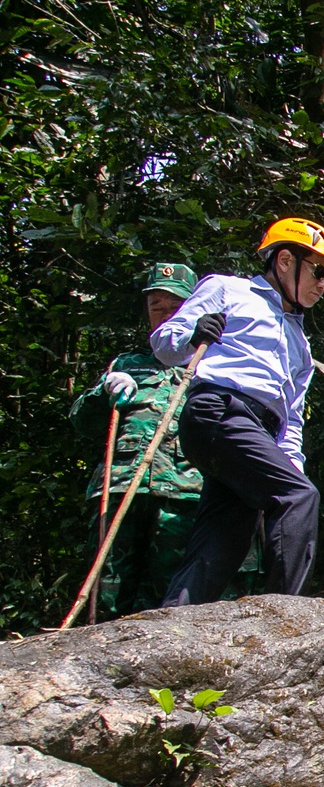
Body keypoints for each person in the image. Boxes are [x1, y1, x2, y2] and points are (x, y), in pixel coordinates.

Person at [152, 218, 324, 605]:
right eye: (319, 272)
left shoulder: (301, 346)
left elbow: (291, 417)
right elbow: (164, 344)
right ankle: (286, 612)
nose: (323, 285)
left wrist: (290, 464)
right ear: (285, 260)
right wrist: (193, 333)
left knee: (225, 535)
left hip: (258, 429)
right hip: (219, 410)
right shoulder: (228, 289)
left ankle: (176, 617)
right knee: (299, 497)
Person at [71, 263, 205, 616]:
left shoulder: (213, 366)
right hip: (120, 489)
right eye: (156, 305)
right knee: (107, 594)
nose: (164, 314)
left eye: (175, 306)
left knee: (172, 597)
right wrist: (105, 391)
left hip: (182, 493)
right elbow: (83, 423)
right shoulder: (128, 363)